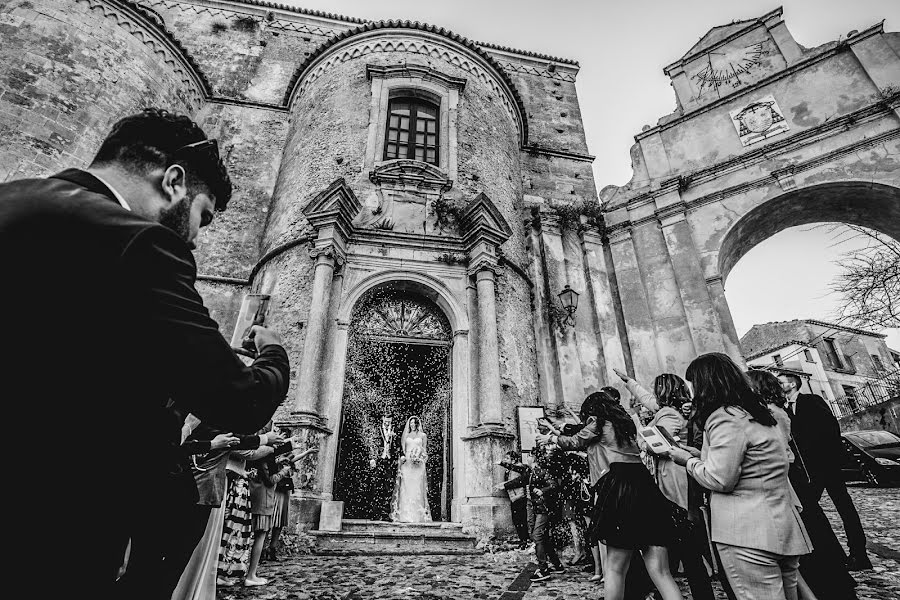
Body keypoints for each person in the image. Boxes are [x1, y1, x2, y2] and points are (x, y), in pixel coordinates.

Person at [0, 108, 291, 599]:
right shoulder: (138, 241)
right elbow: (239, 400)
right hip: (49, 536)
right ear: (174, 181)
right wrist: (275, 353)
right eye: (203, 216)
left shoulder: (12, 200)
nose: (197, 236)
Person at [668, 353, 812, 600]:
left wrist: (688, 461)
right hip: (782, 526)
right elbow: (754, 464)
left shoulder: (724, 417)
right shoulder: (762, 414)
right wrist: (702, 456)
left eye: (694, 384)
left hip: (747, 532)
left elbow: (720, 480)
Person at [540, 392, 683, 600]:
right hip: (645, 485)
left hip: (618, 486)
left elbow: (575, 441)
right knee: (661, 571)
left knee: (615, 569)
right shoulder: (626, 425)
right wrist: (562, 427)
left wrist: (551, 438)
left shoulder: (598, 422)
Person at [750, 371, 859, 600]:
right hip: (803, 472)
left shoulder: (798, 405)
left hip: (818, 468)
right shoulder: (781, 410)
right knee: (814, 520)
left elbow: (828, 433)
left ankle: (850, 558)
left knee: (831, 513)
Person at [614, 369, 715, 600]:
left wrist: (640, 434)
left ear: (665, 391)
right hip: (674, 479)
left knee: (682, 542)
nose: (653, 393)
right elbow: (648, 400)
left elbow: (658, 444)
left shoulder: (669, 414)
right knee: (680, 546)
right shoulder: (668, 410)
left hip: (675, 481)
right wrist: (629, 382)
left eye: (656, 388)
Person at [778, 373, 871, 571]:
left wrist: (830, 459)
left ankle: (858, 554)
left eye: (781, 382)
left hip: (827, 465)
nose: (779, 385)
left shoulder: (812, 401)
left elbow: (830, 430)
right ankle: (827, 555)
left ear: (792, 384)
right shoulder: (784, 409)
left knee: (844, 507)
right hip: (809, 470)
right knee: (811, 508)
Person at [527, 445, 567, 582]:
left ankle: (543, 570)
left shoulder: (542, 471)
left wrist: (542, 490)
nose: (527, 458)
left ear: (533, 457)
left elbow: (554, 485)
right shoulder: (533, 470)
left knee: (537, 536)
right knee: (544, 538)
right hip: (540, 509)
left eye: (529, 455)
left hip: (544, 509)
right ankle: (557, 565)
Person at [391, 416, 432, 522]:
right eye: (411, 423)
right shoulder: (406, 435)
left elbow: (425, 451)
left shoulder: (423, 436)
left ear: (418, 424)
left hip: (418, 465)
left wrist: (420, 458)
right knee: (406, 488)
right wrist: (403, 457)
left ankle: (417, 516)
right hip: (407, 463)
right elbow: (402, 450)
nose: (412, 425)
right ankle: (404, 515)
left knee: (417, 488)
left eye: (414, 423)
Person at [498, 451, 532, 549]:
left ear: (514, 459)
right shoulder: (509, 470)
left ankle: (525, 540)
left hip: (520, 497)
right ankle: (523, 540)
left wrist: (505, 485)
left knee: (522, 520)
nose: (506, 460)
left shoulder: (520, 468)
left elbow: (519, 481)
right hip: (513, 497)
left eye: (507, 458)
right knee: (516, 520)